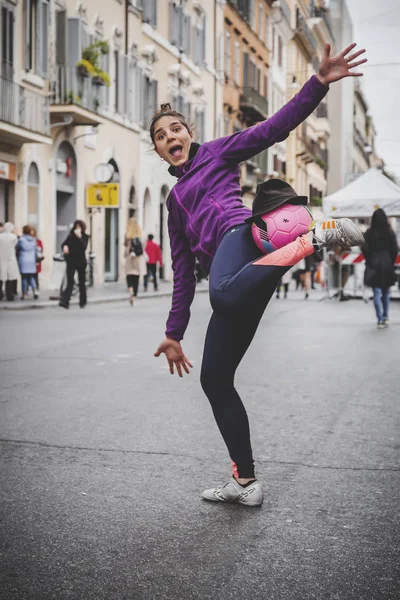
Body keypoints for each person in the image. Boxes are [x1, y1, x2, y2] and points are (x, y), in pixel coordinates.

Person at [152, 43, 366, 507]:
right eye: (162, 134)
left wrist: (317, 84)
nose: (172, 135)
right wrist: (173, 332)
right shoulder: (173, 204)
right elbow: (184, 270)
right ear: (158, 151)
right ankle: (245, 482)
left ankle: (313, 238)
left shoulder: (218, 153)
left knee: (224, 296)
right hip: (244, 276)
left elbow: (273, 129)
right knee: (213, 378)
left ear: (189, 134)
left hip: (244, 238)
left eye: (177, 128)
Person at [362, 208, 398, 329]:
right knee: (386, 292)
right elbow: (395, 249)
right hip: (386, 263)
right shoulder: (390, 232)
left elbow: (364, 248)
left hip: (373, 263)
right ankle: (386, 316)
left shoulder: (369, 232)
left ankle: (380, 319)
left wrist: (369, 258)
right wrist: (390, 260)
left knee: (376, 292)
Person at [59, 220, 88, 309]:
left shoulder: (85, 236)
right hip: (71, 261)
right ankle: (65, 301)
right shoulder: (71, 236)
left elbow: (84, 247)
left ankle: (83, 301)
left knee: (82, 282)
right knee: (70, 281)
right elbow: (64, 244)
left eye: (79, 227)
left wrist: (79, 237)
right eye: (76, 227)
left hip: (81, 262)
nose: (77, 229)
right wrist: (65, 247)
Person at [125, 217, 145, 305]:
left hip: (130, 257)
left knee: (129, 275)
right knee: (136, 277)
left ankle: (130, 289)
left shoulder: (127, 235)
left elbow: (125, 246)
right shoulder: (141, 234)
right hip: (138, 258)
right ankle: (134, 295)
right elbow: (143, 247)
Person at [16, 225, 38, 299]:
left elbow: (17, 248)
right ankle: (35, 290)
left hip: (23, 260)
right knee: (31, 276)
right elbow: (36, 250)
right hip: (31, 260)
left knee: (24, 277)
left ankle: (24, 293)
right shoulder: (33, 240)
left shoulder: (21, 240)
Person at [0, 222, 19, 301]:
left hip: (1, 258)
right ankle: (9, 295)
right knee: (10, 278)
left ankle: (0, 294)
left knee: (1, 277)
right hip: (10, 259)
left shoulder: (0, 236)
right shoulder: (14, 237)